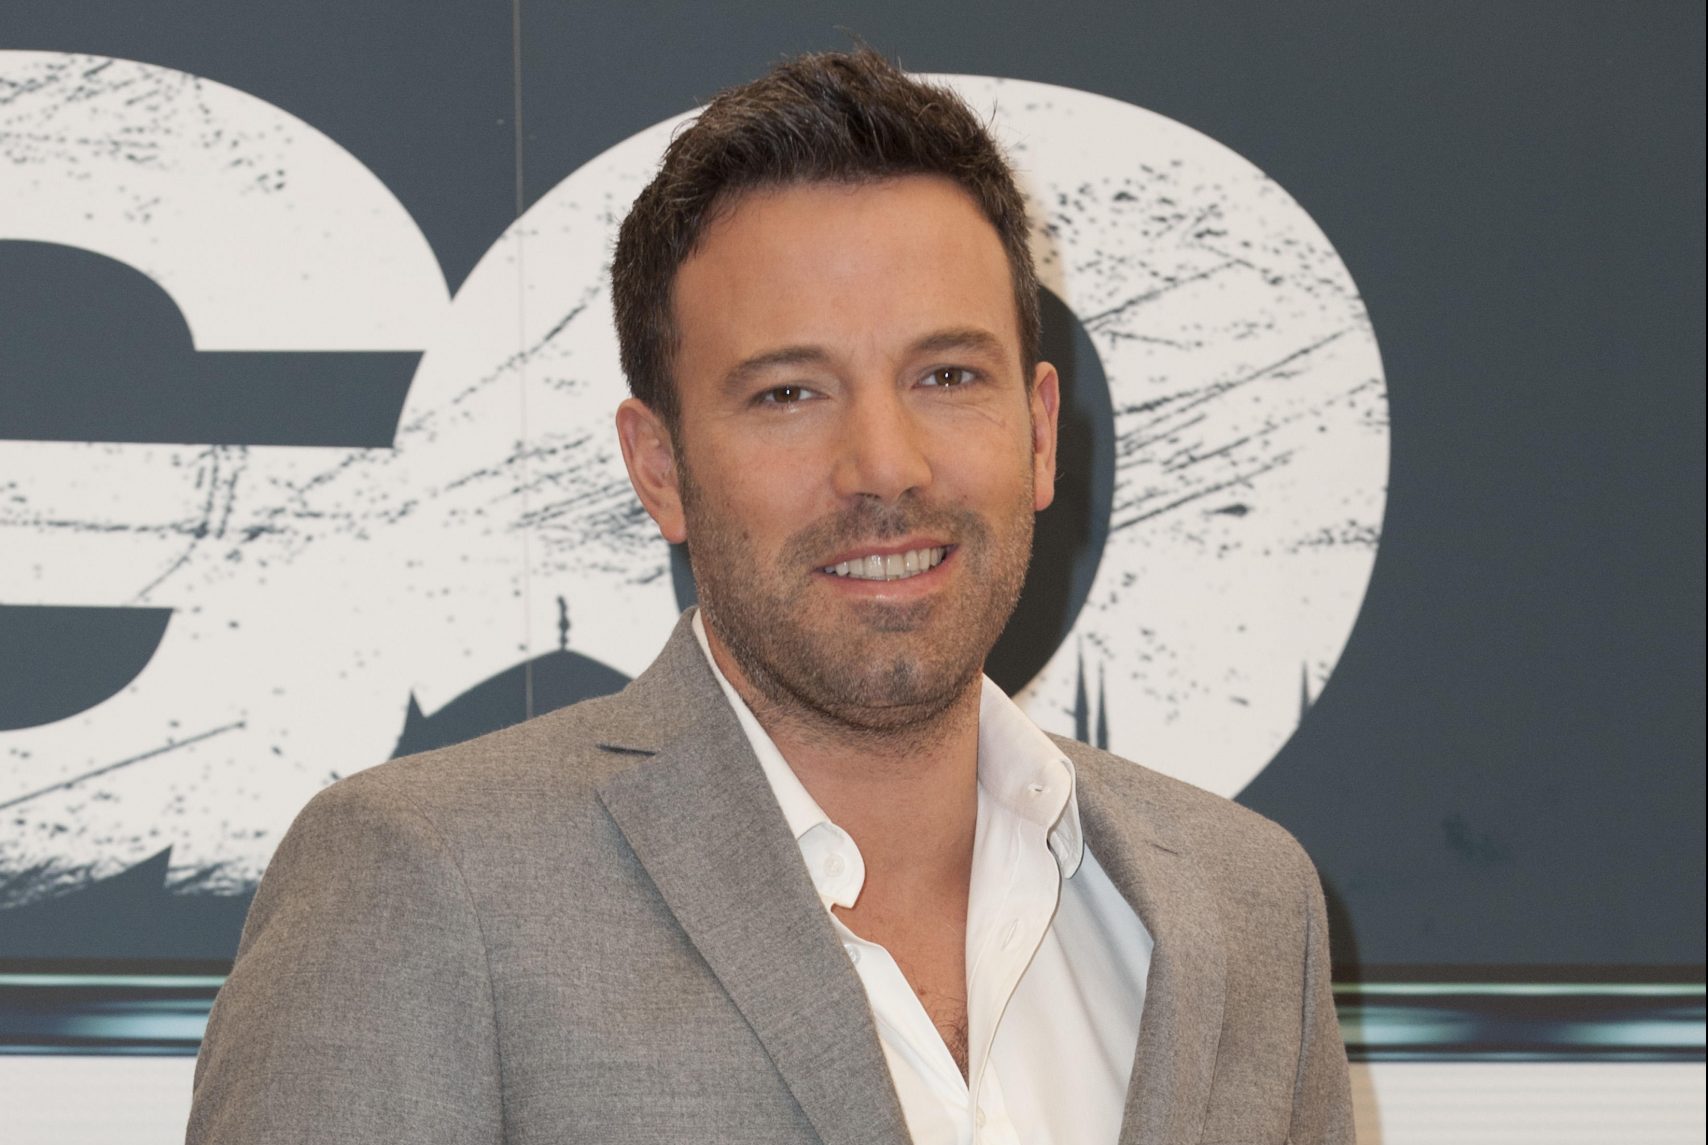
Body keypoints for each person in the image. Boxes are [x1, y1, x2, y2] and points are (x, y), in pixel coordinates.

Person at [188, 49, 1353, 1145]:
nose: (886, 465)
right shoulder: (430, 880)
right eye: (789, 392)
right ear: (658, 467)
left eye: (948, 375)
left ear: (1040, 432)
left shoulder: (1248, 906)